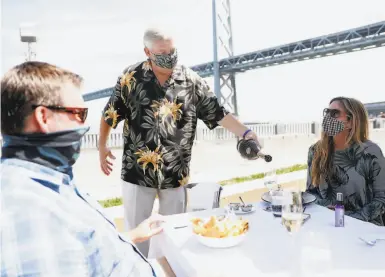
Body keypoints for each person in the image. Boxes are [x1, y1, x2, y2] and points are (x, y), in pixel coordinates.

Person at [98, 27, 261, 257]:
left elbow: (218, 113)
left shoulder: (191, 80)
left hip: (176, 173)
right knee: (137, 242)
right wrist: (102, 146)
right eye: (163, 52)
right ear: (148, 52)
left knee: (174, 239)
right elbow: (110, 114)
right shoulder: (130, 78)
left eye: (173, 50)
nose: (170, 56)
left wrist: (246, 133)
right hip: (137, 172)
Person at [1, 61, 172, 276]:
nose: (83, 125)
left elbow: (76, 250)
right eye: (79, 114)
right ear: (43, 117)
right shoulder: (30, 213)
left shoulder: (47, 180)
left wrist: (130, 236)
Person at [306, 97, 385, 226]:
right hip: (328, 224)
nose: (328, 117)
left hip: (365, 229)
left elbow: (381, 199)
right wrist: (328, 211)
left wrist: (348, 219)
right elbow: (310, 193)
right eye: (327, 112)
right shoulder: (315, 151)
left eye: (335, 113)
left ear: (350, 121)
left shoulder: (371, 152)